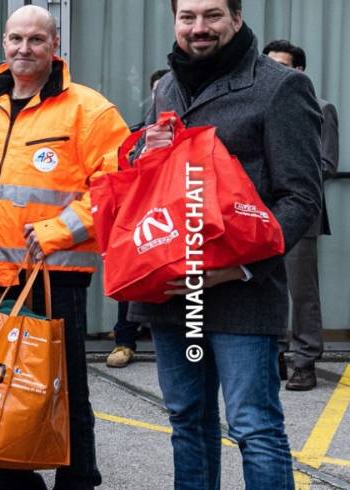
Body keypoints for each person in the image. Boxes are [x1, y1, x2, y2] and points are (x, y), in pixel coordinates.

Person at [129, 1, 322, 487]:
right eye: (187, 16)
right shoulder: (167, 87)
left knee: (254, 427)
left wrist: (239, 269)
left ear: (236, 18)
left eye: (212, 15)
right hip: (176, 295)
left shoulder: (281, 87)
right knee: (188, 424)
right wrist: (142, 153)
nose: (199, 28)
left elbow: (300, 198)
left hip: (241, 294)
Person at [0, 6, 127, 489]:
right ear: (3, 43)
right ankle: (17, 481)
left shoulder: (89, 110)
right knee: (0, 383)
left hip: (55, 273)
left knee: (61, 388)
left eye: (36, 40)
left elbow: (117, 184)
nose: (24, 49)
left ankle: (78, 480)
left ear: (55, 46)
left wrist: (57, 231)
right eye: (15, 39)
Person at [263, 39, 337, 391]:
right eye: (269, 64)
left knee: (301, 291)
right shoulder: (259, 105)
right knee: (262, 286)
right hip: (259, 215)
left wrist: (284, 177)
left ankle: (305, 360)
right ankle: (273, 354)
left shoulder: (322, 108)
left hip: (301, 217)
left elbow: (326, 164)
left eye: (281, 65)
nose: (273, 71)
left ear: (298, 71)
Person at [108, 68, 171, 369]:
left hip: (176, 220)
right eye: (158, 90)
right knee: (132, 278)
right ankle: (125, 342)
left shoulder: (191, 133)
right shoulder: (136, 135)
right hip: (141, 218)